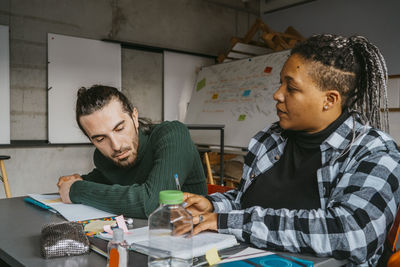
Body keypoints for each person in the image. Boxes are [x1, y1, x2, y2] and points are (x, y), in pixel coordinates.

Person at [183, 34, 400, 266]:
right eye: (280, 83)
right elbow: (248, 200)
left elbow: (351, 233)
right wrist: (215, 206)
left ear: (329, 99)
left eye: (292, 88)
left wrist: (229, 221)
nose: (277, 94)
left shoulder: (375, 152)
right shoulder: (270, 139)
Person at [57, 85, 207, 218]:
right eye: (100, 139)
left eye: (120, 129)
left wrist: (76, 189)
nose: (116, 146)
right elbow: (108, 179)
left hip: (191, 238)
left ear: (134, 117)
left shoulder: (173, 135)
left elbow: (152, 203)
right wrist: (80, 180)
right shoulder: (104, 158)